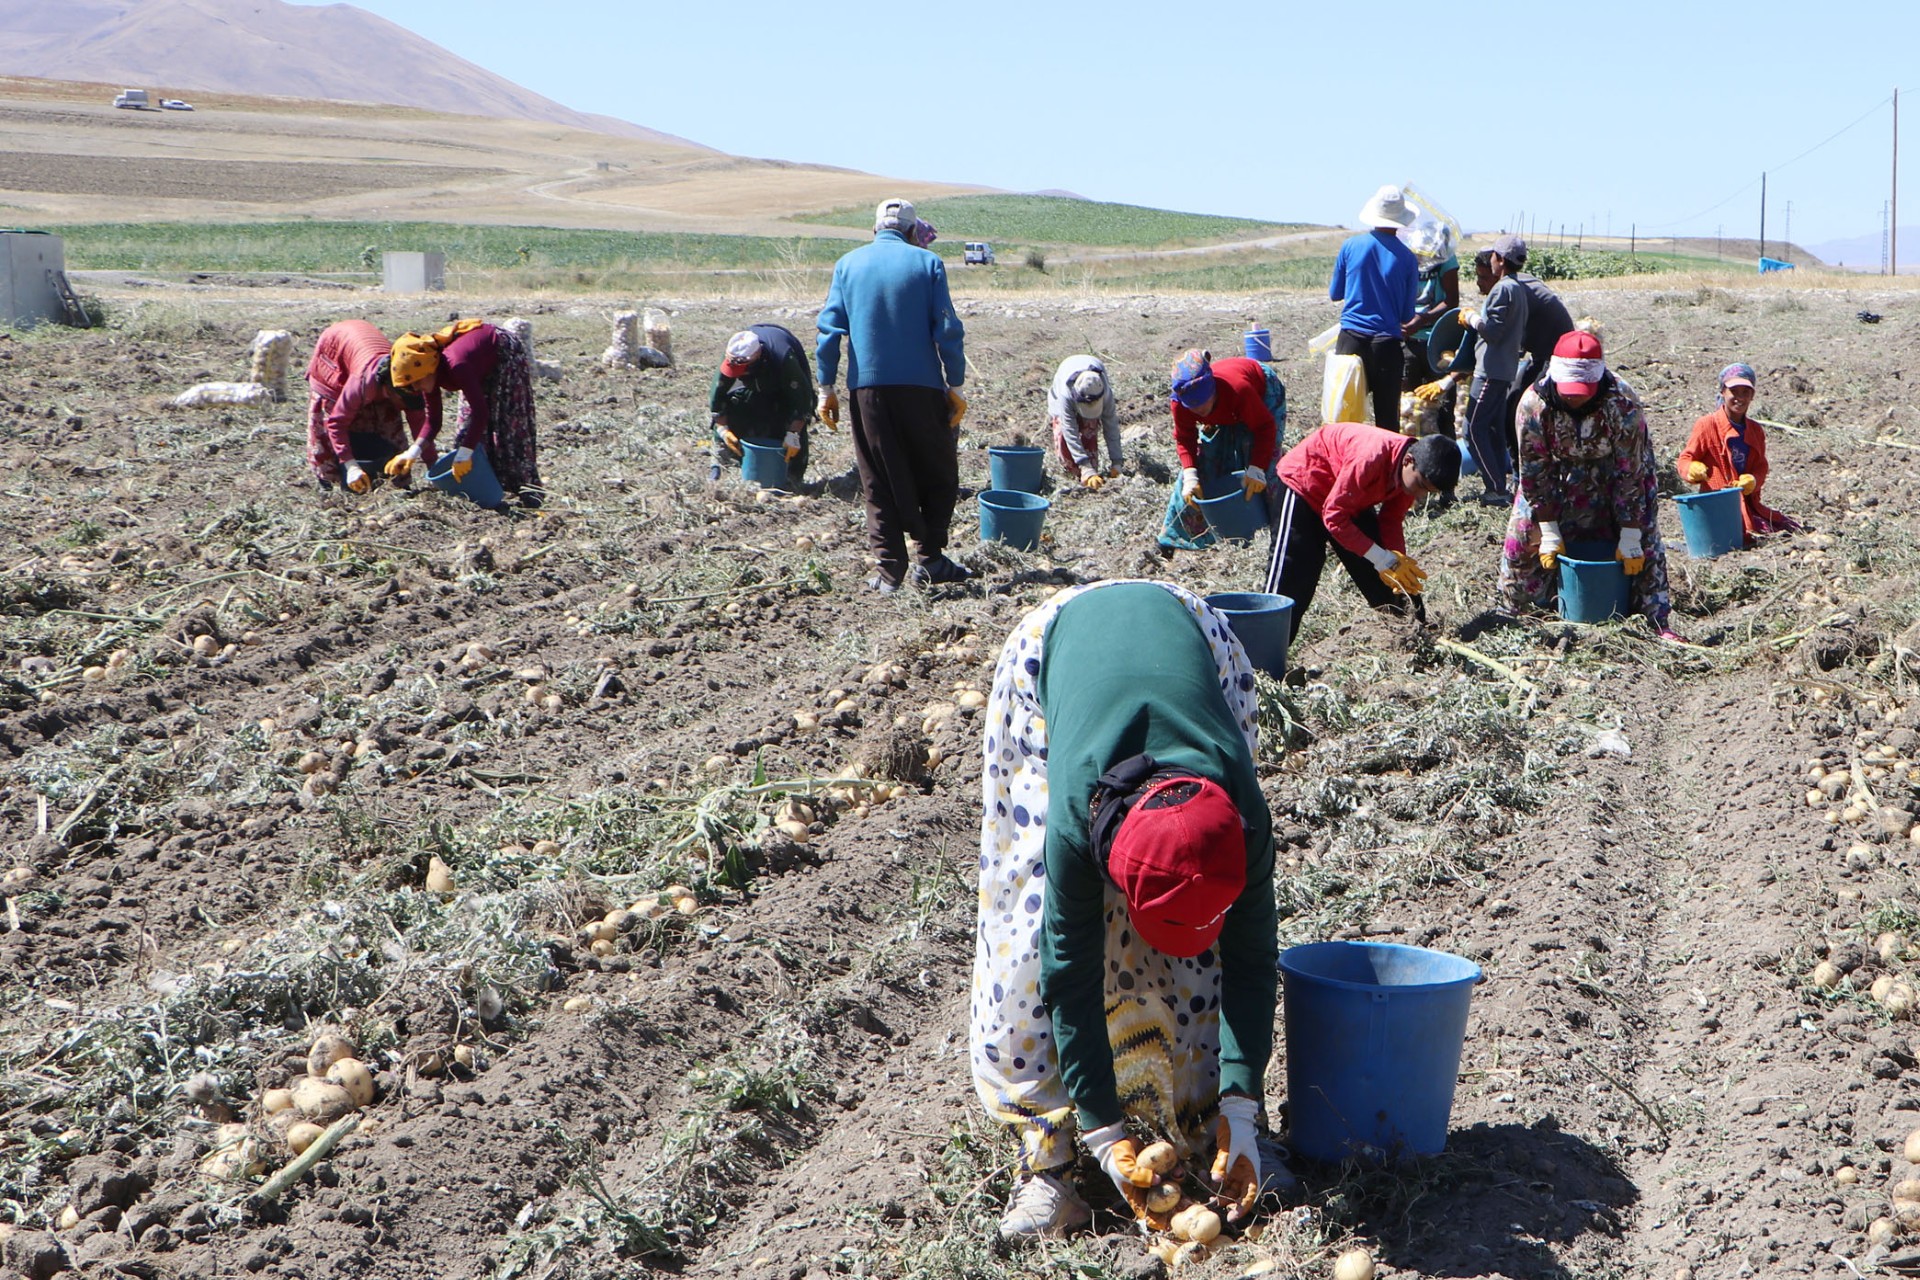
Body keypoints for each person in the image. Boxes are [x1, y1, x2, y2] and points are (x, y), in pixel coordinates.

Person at [970, 579, 1281, 1240]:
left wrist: (1245, 1107)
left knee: (1204, 975)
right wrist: (1104, 1135)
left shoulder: (1240, 819)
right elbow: (1069, 974)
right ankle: (1048, 1169)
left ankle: (1210, 1129)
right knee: (1025, 944)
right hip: (1055, 654)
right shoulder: (1076, 825)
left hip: (1190, 634)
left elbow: (1252, 959)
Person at [815, 197, 970, 594]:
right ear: (913, 231)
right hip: (923, 388)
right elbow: (947, 329)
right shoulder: (927, 263)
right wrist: (955, 383)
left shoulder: (848, 265)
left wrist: (826, 387)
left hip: (867, 391)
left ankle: (889, 572)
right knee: (937, 470)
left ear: (875, 229)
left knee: (877, 477)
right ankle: (931, 558)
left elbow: (829, 333)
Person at [1498, 331, 1681, 640]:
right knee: (1522, 537)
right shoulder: (1533, 406)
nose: (1574, 396)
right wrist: (1549, 529)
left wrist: (1631, 532)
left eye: (1582, 390)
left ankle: (1653, 621)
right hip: (1557, 477)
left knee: (1644, 544)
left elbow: (1631, 472)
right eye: (1568, 390)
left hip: (1615, 477)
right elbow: (1533, 471)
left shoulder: (1622, 404)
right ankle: (1520, 616)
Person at [1260, 423, 1456, 630]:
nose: (1420, 495)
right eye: (1422, 487)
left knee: (1381, 575)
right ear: (1409, 461)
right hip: (1306, 486)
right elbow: (1335, 518)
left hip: (1348, 495)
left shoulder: (1410, 476)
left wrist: (1396, 560)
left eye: (1428, 492)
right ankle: (1266, 649)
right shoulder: (1370, 458)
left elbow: (1391, 520)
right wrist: (1381, 558)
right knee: (1295, 578)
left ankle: (1410, 628)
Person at [384, 319, 542, 504]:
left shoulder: (456, 365)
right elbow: (434, 421)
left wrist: (465, 454)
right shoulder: (429, 373)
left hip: (503, 352)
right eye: (411, 387)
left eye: (417, 383)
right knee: (466, 434)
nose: (417, 389)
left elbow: (480, 412)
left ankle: (530, 494)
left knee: (508, 428)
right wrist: (411, 453)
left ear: (428, 369)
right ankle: (488, 490)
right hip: (475, 365)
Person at [1158, 349, 1287, 551]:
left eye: (1202, 403)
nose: (1198, 411)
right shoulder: (1180, 403)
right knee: (1206, 464)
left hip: (1261, 395)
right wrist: (1191, 475)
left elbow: (1264, 428)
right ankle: (1179, 539)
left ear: (1213, 390)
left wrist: (1257, 468)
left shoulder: (1239, 390)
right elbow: (1185, 437)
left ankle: (1278, 531)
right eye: (1192, 406)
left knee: (1265, 467)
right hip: (1227, 411)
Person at [1676, 363, 1800, 541]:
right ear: (1723, 393)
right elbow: (1685, 459)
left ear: (1752, 396)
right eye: (1734, 392)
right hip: (1717, 504)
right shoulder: (1707, 425)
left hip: (1747, 503)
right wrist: (1691, 469)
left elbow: (1761, 467)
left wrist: (1753, 481)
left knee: (1785, 529)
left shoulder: (1755, 430)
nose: (1739, 398)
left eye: (1745, 392)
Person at [1329, 185, 1419, 430]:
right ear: (1400, 220)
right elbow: (1406, 315)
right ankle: (1385, 467)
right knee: (1387, 421)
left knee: (1342, 417)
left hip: (1350, 341)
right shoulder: (1409, 259)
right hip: (1386, 347)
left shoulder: (1350, 246)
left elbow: (1335, 293)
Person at [303, 319, 425, 492]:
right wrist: (351, 465)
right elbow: (337, 423)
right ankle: (330, 484)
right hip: (333, 361)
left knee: (389, 424)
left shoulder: (409, 379)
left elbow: (420, 423)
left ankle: (397, 482)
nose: (405, 407)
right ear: (389, 391)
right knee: (335, 427)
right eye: (403, 402)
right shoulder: (360, 382)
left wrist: (429, 461)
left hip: (366, 360)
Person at [1457, 238, 1530, 503]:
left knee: (1472, 429)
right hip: (1505, 369)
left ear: (1499, 259)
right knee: (1493, 427)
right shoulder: (1518, 288)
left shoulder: (1502, 290)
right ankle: (1501, 482)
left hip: (1490, 371)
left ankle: (1496, 488)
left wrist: (1471, 317)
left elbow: (1493, 332)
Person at [708, 325, 816, 489]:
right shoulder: (734, 353)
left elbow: (802, 403)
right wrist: (723, 429)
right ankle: (720, 464)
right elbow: (718, 395)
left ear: (755, 359)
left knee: (787, 418)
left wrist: (793, 435)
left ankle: (792, 477)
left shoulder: (784, 358)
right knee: (738, 403)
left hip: (782, 380)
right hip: (752, 385)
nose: (738, 373)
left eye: (742, 371)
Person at [1400, 221, 1461, 437]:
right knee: (1409, 405)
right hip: (1410, 341)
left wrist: (1422, 319)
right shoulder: (1411, 257)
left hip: (1438, 341)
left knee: (1442, 407)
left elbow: (1452, 300)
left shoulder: (1446, 260)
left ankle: (1444, 455)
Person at [1047, 355, 1122, 487]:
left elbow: (1111, 426)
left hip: (1089, 376)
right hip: (1063, 389)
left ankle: (1091, 469)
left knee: (1089, 430)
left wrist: (1117, 462)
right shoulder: (1066, 393)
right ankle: (1075, 473)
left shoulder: (1104, 392)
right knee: (1063, 437)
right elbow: (1069, 430)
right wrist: (1084, 466)